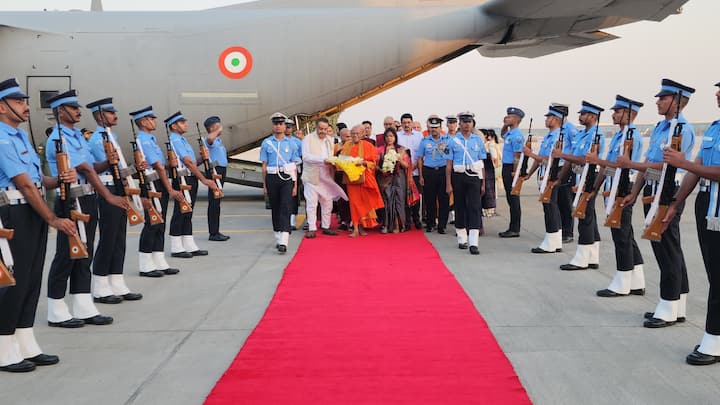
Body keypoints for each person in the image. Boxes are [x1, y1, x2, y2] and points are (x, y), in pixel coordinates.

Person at [0, 78, 77, 372]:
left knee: (32, 280)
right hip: (14, 214)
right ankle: (4, 348)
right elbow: (24, 186)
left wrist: (58, 180)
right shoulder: (3, 138)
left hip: (30, 212)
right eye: (19, 102)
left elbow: (37, 181)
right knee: (14, 280)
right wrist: (53, 218)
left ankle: (25, 341)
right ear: (2, 107)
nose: (26, 107)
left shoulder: (20, 137)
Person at [45, 90, 130, 328]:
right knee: (67, 253)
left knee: (85, 252)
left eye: (77, 107)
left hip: (87, 197)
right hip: (71, 198)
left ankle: (82, 304)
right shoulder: (58, 140)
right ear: (60, 111)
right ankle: (56, 308)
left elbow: (94, 166)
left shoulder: (77, 137)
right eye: (72, 108)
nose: (77, 111)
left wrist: (109, 162)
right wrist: (109, 197)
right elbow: (86, 169)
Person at [620, 78, 695, 328]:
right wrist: (634, 190)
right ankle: (677, 303)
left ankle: (668, 304)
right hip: (652, 189)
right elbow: (649, 163)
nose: (658, 102)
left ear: (677, 101)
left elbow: (671, 165)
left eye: (663, 98)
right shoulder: (660, 128)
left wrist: (631, 165)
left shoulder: (683, 129)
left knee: (667, 248)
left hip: (668, 191)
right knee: (665, 246)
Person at [662, 81, 720, 364]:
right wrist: (675, 203)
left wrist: (683, 163)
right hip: (705, 205)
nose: (718, 94)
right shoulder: (713, 127)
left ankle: (713, 340)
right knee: (714, 274)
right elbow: (696, 169)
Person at [85, 97, 143, 303]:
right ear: (100, 116)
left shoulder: (111, 136)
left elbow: (118, 167)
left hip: (117, 186)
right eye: (110, 113)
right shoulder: (98, 139)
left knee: (119, 238)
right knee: (108, 238)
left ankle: (117, 282)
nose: (115, 115)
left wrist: (134, 172)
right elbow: (107, 166)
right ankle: (100, 286)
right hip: (107, 187)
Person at [589, 95, 645, 297]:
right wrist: (596, 187)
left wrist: (598, 161)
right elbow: (611, 165)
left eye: (618, 111)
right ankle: (637, 279)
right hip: (613, 187)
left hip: (623, 187)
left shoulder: (633, 137)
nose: (614, 114)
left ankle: (622, 282)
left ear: (630, 114)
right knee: (624, 234)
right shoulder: (618, 136)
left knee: (621, 236)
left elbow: (623, 166)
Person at [553, 101, 606, 271]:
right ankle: (592, 255)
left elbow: (586, 159)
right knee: (588, 214)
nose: (580, 117)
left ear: (592, 116)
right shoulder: (582, 134)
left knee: (584, 215)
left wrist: (561, 155)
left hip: (590, 175)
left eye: (583, 114)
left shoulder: (596, 136)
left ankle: (582, 258)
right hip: (579, 175)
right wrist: (560, 177)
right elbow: (574, 156)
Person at [131, 106, 182, 277]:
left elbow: (161, 165)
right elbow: (158, 167)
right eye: (152, 119)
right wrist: (170, 188)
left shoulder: (150, 139)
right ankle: (145, 264)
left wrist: (170, 163)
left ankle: (159, 260)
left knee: (160, 223)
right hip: (153, 185)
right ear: (144, 122)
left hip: (158, 183)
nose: (155, 121)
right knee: (152, 223)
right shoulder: (144, 141)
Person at [166, 111, 217, 258]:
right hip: (182, 180)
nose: (186, 124)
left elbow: (192, 162)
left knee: (187, 212)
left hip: (189, 178)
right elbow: (187, 162)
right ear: (174, 126)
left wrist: (202, 158)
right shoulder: (175, 140)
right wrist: (203, 179)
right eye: (182, 123)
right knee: (181, 211)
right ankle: (176, 246)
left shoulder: (182, 140)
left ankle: (188, 244)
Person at [523, 105, 566, 254]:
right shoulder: (549, 136)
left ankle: (551, 241)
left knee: (550, 206)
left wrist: (530, 154)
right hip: (544, 172)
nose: (546, 120)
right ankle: (555, 240)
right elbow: (540, 158)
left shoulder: (558, 136)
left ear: (556, 119)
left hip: (552, 172)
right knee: (549, 206)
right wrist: (529, 173)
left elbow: (549, 159)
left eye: (549, 117)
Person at [446, 111, 486, 255]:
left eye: (469, 122)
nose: (467, 124)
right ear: (459, 123)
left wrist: (483, 183)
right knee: (460, 206)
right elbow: (449, 165)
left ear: (472, 123)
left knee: (474, 208)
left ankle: (474, 242)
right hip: (458, 176)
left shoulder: (477, 140)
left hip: (474, 176)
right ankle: (462, 238)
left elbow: (482, 163)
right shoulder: (452, 141)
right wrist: (448, 184)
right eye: (464, 122)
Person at [260, 113, 300, 253]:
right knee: (275, 207)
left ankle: (284, 239)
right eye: (276, 124)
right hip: (272, 177)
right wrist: (264, 184)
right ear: (273, 126)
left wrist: (295, 184)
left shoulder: (292, 144)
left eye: (281, 124)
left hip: (286, 177)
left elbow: (294, 165)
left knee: (285, 206)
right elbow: (264, 165)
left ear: (284, 126)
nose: (278, 126)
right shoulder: (266, 143)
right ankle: (278, 235)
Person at [302, 117, 347, 238]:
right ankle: (312, 228)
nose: (323, 131)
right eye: (320, 129)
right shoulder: (308, 139)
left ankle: (326, 226)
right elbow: (305, 157)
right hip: (312, 175)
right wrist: (322, 160)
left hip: (326, 175)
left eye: (325, 129)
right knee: (312, 202)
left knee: (327, 202)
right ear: (316, 127)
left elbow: (331, 157)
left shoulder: (329, 140)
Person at [340, 124, 384, 237]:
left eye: (357, 133)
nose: (354, 136)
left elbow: (373, 163)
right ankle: (355, 227)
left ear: (363, 134)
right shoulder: (346, 145)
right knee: (354, 203)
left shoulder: (368, 145)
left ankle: (362, 226)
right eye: (352, 133)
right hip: (351, 179)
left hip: (364, 178)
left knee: (364, 202)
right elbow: (342, 160)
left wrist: (363, 162)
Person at [417, 115, 450, 234]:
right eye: (432, 127)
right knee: (429, 199)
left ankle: (442, 225)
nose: (434, 129)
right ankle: (430, 223)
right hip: (429, 171)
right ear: (429, 128)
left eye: (436, 127)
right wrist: (421, 175)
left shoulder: (446, 140)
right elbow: (420, 158)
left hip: (443, 171)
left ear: (440, 127)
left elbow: (449, 157)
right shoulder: (425, 141)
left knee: (443, 200)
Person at [499, 107, 525, 238]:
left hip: (512, 168)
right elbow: (502, 134)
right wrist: (505, 125)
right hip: (506, 166)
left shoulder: (517, 135)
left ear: (516, 119)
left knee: (513, 198)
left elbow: (517, 156)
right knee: (510, 198)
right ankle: (512, 226)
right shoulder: (510, 133)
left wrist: (515, 173)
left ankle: (515, 228)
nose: (506, 118)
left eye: (509, 117)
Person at [377, 127, 409, 233]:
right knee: (387, 199)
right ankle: (386, 225)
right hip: (385, 178)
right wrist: (382, 170)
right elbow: (375, 165)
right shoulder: (380, 149)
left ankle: (398, 225)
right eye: (387, 136)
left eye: (391, 136)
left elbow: (406, 165)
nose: (389, 138)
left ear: (395, 137)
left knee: (399, 200)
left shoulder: (401, 149)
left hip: (399, 177)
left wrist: (399, 159)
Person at [555, 103, 579, 243]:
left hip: (567, 166)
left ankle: (568, 232)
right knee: (558, 200)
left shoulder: (570, 129)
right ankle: (561, 229)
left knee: (566, 200)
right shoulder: (559, 129)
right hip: (558, 166)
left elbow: (574, 151)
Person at [203, 116, 230, 242]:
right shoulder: (210, 139)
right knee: (214, 202)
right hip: (215, 172)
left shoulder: (218, 140)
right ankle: (213, 233)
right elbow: (209, 138)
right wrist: (217, 131)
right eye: (218, 125)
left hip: (220, 171)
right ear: (212, 127)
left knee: (217, 201)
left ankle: (215, 230)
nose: (220, 127)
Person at [397, 113, 424, 230]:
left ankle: (417, 219)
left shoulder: (419, 135)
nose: (407, 125)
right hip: (402, 171)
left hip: (416, 170)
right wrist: (405, 166)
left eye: (409, 122)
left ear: (412, 123)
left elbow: (420, 154)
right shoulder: (397, 136)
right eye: (404, 123)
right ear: (401, 123)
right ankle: (407, 221)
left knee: (416, 196)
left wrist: (414, 166)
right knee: (405, 197)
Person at [286, 118, 303, 230]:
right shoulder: (276, 141)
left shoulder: (297, 142)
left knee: (293, 196)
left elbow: (302, 156)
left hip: (294, 170)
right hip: (281, 171)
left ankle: (292, 221)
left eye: (290, 127)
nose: (288, 129)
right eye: (286, 126)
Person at [481, 129, 501, 218]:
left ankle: (490, 210)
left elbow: (495, 158)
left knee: (491, 189)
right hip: (488, 168)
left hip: (490, 168)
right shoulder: (487, 144)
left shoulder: (490, 144)